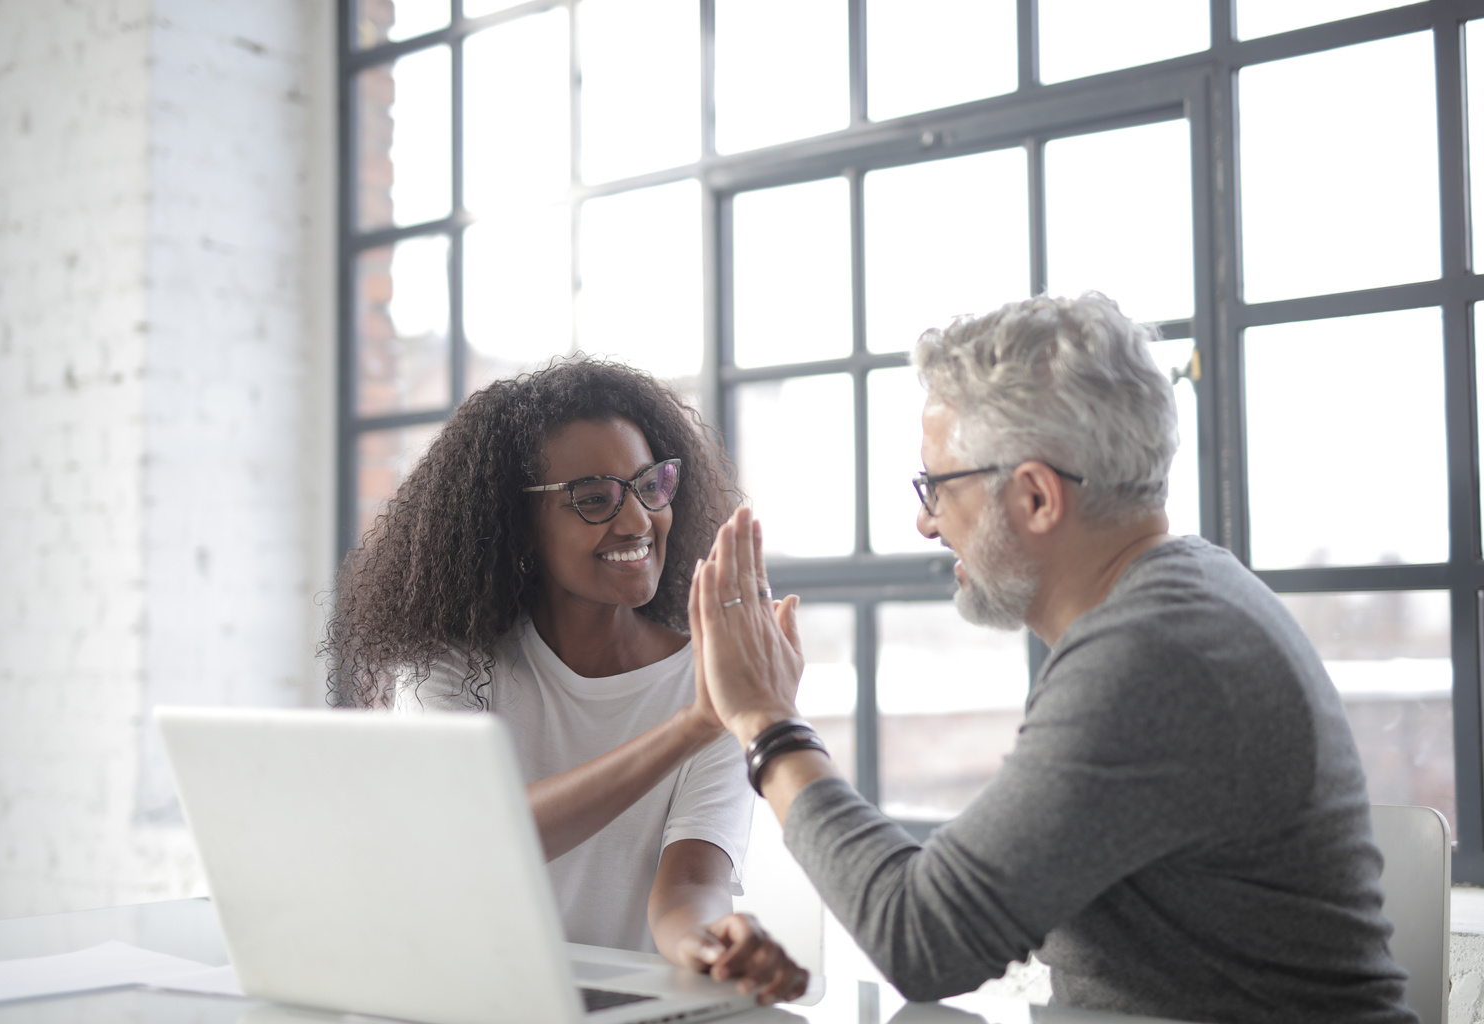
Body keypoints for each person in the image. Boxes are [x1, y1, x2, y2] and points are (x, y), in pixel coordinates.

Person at [687, 294, 1418, 1023]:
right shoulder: (1184, 594)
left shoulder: (1151, 656)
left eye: (937, 487)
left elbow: (922, 940)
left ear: (1036, 496)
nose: (925, 521)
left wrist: (767, 723)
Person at [324, 359, 806, 1005]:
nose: (637, 520)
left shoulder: (708, 678)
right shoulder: (449, 667)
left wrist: (711, 941)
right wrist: (693, 724)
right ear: (516, 526)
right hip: (461, 1004)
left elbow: (690, 884)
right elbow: (486, 835)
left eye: (649, 486)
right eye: (593, 498)